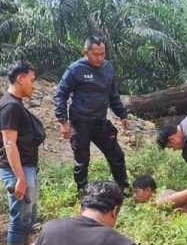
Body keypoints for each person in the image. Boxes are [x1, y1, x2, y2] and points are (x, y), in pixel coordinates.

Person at [55, 35, 130, 195]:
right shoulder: (75, 69)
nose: (100, 58)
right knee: (82, 161)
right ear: (85, 52)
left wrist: (122, 114)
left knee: (116, 155)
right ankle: (82, 193)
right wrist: (63, 121)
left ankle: (123, 188)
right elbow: (61, 94)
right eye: (96, 54)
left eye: (103, 54)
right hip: (80, 122)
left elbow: (113, 95)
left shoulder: (108, 68)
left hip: (100, 122)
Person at [0, 61, 45, 245]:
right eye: (31, 80)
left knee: (27, 218)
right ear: (20, 79)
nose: (33, 85)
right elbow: (9, 143)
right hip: (18, 170)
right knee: (19, 219)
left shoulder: (14, 105)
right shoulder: (10, 106)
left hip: (25, 168)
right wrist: (20, 178)